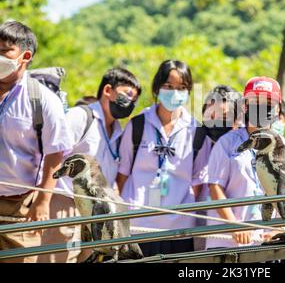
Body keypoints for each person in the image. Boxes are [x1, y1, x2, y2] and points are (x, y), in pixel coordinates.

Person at [38, 68, 141, 263]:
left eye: (134, 99)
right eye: (127, 94)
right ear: (108, 90)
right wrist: (43, 199)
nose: (130, 102)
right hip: (65, 203)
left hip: (94, 211)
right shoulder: (81, 116)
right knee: (57, 259)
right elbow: (53, 153)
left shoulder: (119, 131)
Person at [116, 60, 209, 257]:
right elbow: (122, 174)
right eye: (168, 86)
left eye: (181, 88)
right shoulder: (138, 125)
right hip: (138, 224)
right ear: (157, 87)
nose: (175, 92)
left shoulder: (196, 131)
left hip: (179, 228)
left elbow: (198, 182)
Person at [0, 21, 73, 263]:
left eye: (3, 52)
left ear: (25, 56)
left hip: (20, 207)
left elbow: (56, 153)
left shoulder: (42, 100)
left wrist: (43, 202)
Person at [201, 77, 285, 249]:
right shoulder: (227, 143)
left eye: (268, 102)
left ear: (277, 107)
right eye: (255, 101)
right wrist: (235, 226)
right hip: (226, 242)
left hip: (268, 243)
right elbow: (215, 187)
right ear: (245, 105)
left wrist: (280, 228)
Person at [192, 85, 242, 250]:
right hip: (197, 232)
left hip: (236, 237)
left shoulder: (242, 151)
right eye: (210, 115)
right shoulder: (196, 142)